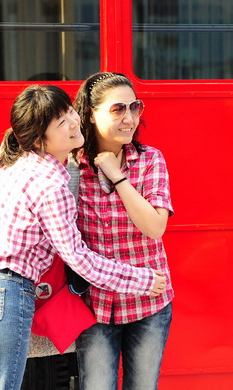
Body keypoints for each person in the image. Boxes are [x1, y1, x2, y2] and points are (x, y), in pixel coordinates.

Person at [0, 84, 167, 390]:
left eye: (70, 112)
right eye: (61, 122)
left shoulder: (11, 164)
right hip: (0, 292)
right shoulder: (50, 184)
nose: (73, 122)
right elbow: (78, 258)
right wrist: (143, 280)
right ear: (38, 140)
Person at [73, 72, 174, 390]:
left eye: (135, 107)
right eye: (118, 109)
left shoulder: (149, 161)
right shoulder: (71, 167)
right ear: (91, 114)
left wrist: (116, 176)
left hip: (149, 302)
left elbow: (155, 227)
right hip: (94, 307)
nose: (129, 118)